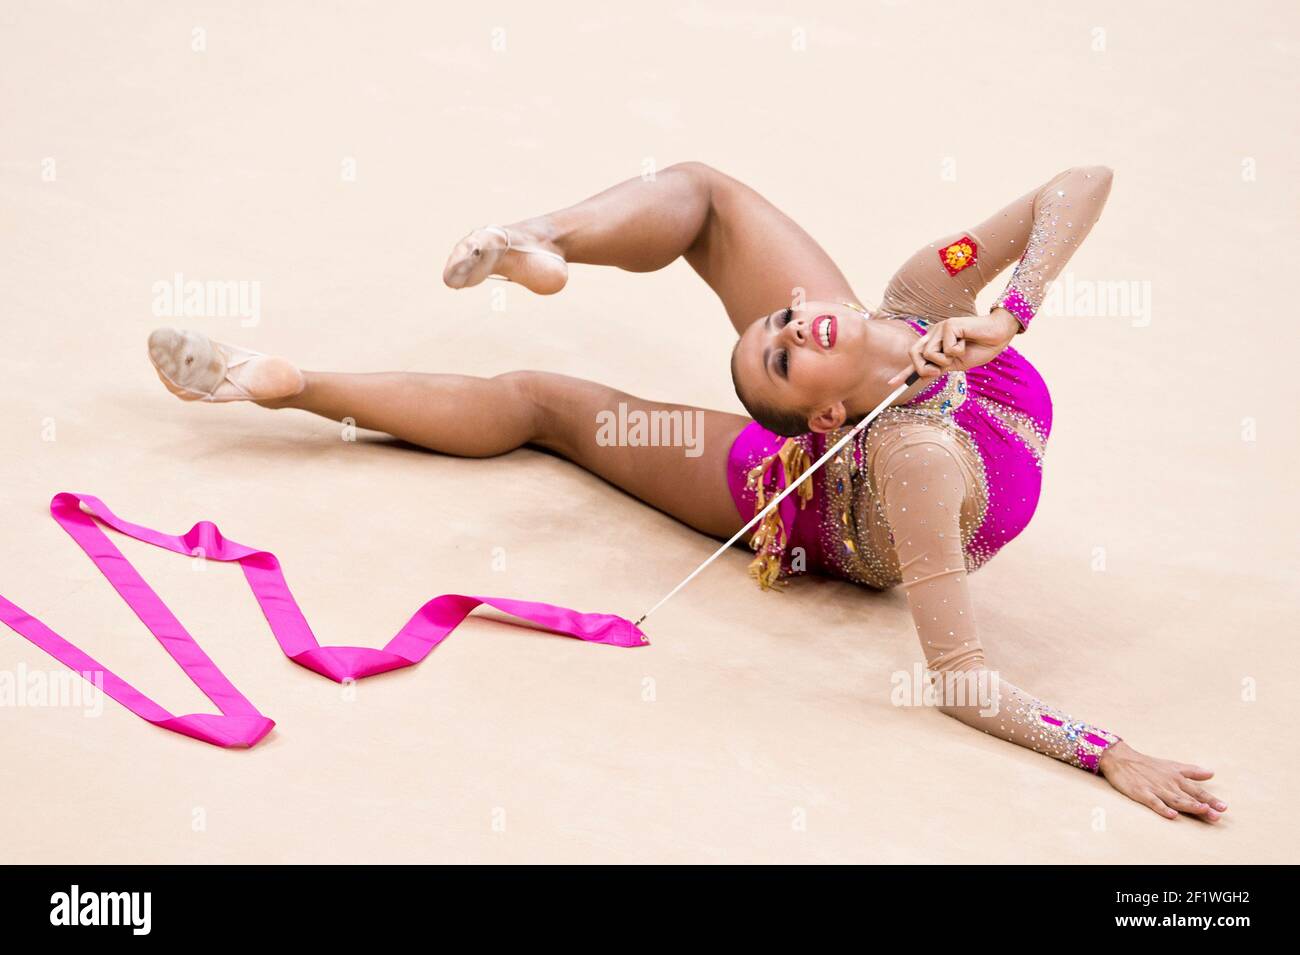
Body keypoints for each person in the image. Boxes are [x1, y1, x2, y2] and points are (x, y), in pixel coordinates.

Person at [147, 162, 1225, 822]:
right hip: (813, 487)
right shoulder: (893, 424)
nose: (790, 321)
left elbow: (1080, 180)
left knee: (629, 297)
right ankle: (348, 350)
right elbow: (960, 680)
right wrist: (1110, 753)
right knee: (600, 328)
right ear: (816, 418)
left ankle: (423, 309)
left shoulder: (915, 328)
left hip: (841, 469)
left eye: (780, 329)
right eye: (780, 344)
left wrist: (1017, 307)